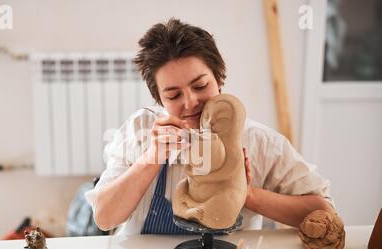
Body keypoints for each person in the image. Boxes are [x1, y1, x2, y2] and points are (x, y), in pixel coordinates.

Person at [85, 18, 335, 235]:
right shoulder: (140, 129)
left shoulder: (258, 141)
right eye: (174, 96)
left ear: (219, 79)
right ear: (159, 100)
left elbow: (324, 212)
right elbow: (105, 218)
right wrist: (151, 159)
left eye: (200, 86)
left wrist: (247, 194)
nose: (191, 102)